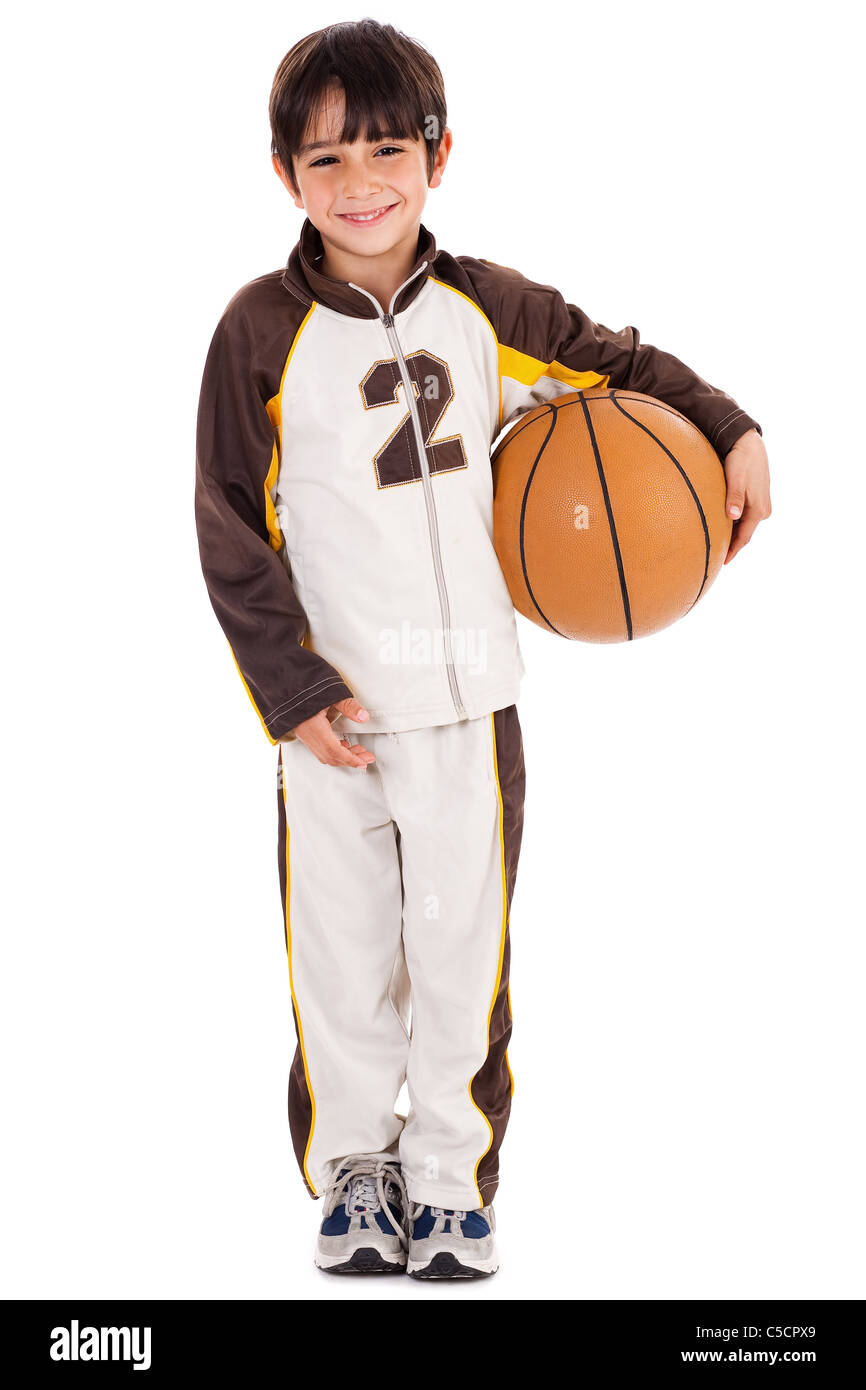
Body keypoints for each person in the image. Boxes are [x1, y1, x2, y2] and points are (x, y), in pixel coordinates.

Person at [194, 18, 771, 1280]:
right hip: (331, 723)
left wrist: (726, 427)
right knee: (340, 963)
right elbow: (230, 528)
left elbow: (621, 363)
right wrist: (290, 692)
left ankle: (450, 1179)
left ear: (438, 156)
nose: (361, 185)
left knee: (462, 956)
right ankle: (354, 1170)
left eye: (387, 150)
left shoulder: (486, 306)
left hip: (470, 710)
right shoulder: (256, 338)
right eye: (327, 159)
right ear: (282, 172)